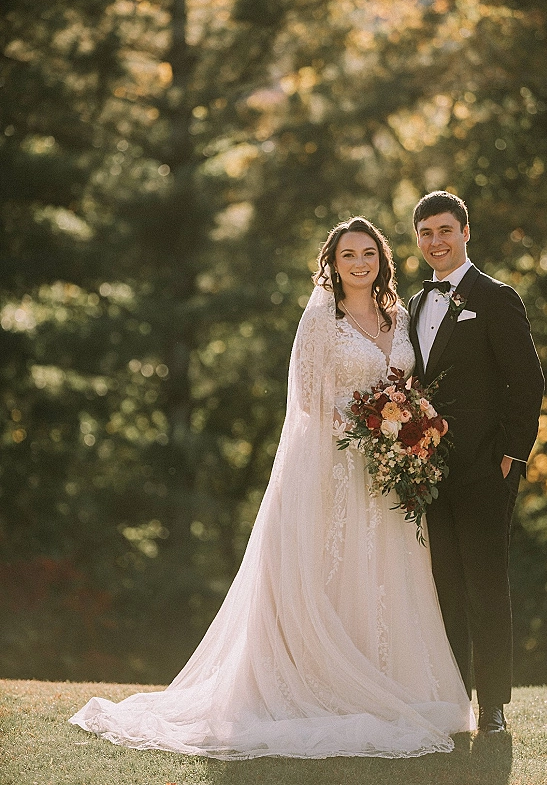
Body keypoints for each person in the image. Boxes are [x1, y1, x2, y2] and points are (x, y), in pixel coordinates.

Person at [70, 217, 475, 759]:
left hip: (390, 473)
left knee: (387, 573)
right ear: (332, 262)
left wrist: (402, 433)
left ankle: (399, 684)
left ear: (382, 261)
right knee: (336, 570)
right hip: (337, 467)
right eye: (348, 254)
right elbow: (307, 399)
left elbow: (407, 383)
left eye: (369, 254)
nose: (359, 263)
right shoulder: (321, 318)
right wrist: (368, 427)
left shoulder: (397, 315)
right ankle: (324, 684)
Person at [408, 191, 544, 735]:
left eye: (444, 230)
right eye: (425, 233)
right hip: (427, 472)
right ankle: (451, 699)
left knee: (486, 584)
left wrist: (512, 455)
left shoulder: (496, 297)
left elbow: (527, 381)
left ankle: (493, 706)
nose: (435, 242)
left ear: (466, 232)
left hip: (488, 467)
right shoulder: (415, 304)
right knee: (443, 584)